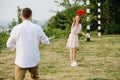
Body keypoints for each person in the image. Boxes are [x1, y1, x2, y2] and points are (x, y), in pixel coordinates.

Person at [6, 7, 49, 80]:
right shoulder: (37, 28)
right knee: (35, 78)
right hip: (33, 59)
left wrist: (17, 48)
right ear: (31, 15)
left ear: (21, 15)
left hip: (21, 60)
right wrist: (40, 41)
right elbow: (46, 41)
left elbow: (9, 44)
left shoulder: (16, 28)